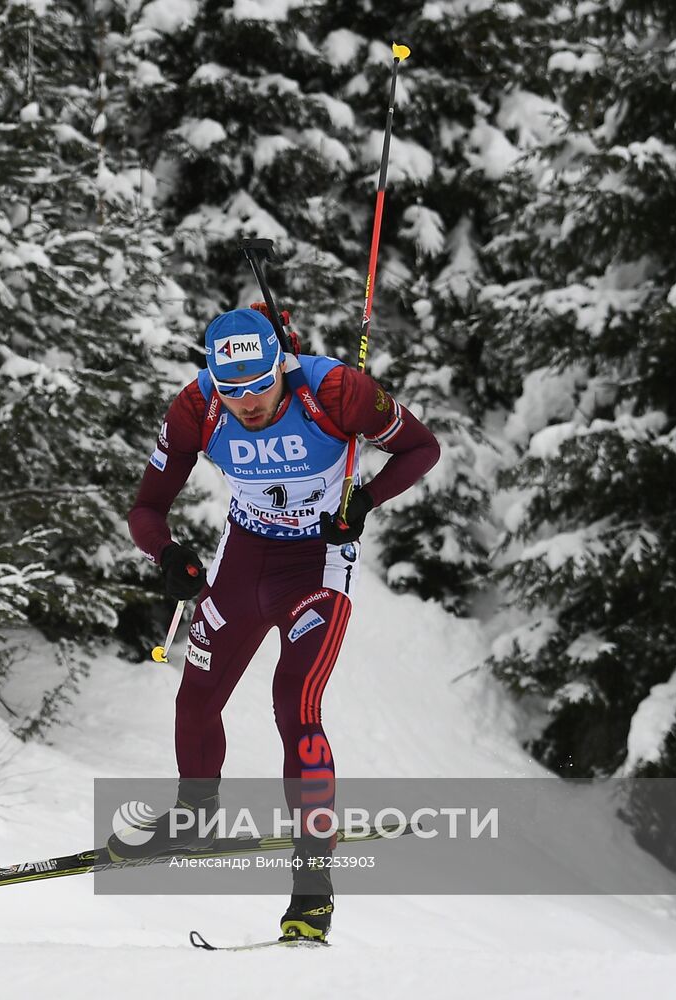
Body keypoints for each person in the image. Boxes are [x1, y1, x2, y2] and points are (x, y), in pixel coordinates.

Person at [107, 306, 440, 942]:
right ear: (213, 381)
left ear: (281, 365)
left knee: (295, 704)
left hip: (316, 567)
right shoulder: (196, 409)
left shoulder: (337, 392)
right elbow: (148, 507)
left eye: (260, 386)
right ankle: (194, 815)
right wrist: (169, 554)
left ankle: (312, 894)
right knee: (196, 697)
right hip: (244, 559)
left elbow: (421, 448)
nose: (249, 404)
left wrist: (364, 500)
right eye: (233, 392)